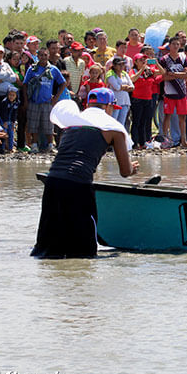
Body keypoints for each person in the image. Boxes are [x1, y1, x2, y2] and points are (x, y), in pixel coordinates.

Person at [31, 88, 139, 259]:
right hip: (78, 185)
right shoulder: (114, 129)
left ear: (88, 104)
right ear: (109, 107)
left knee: (47, 247)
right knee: (84, 251)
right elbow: (125, 171)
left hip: (52, 182)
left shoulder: (72, 123)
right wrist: (133, 168)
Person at [23, 48, 66, 153]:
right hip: (34, 101)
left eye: (45, 55)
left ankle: (50, 145)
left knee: (48, 124)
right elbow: (25, 84)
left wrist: (56, 97)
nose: (43, 57)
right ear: (37, 56)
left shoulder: (53, 69)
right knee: (33, 124)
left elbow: (63, 83)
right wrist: (26, 100)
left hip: (47, 101)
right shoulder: (32, 69)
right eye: (41, 55)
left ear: (48, 56)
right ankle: (34, 145)